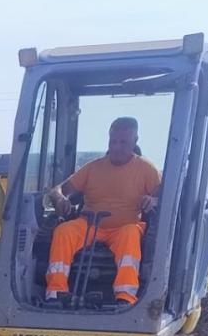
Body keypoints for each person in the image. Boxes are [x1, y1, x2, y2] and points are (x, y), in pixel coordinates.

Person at [44, 117, 161, 305]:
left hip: (126, 225)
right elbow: (58, 189)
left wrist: (153, 200)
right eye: (113, 141)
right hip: (89, 225)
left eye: (123, 142)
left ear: (135, 141)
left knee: (130, 235)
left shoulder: (147, 170)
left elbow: (163, 198)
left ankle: (125, 296)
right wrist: (59, 198)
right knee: (63, 231)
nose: (117, 147)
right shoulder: (93, 168)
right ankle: (56, 292)